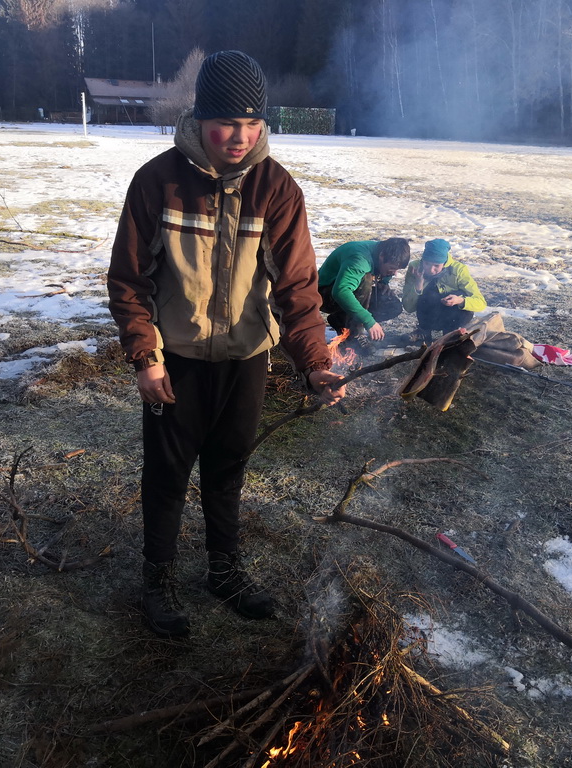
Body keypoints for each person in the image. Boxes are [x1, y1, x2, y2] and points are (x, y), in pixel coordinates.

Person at [107, 50, 346, 638]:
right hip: (176, 362)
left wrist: (315, 362)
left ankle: (224, 571)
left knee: (228, 469)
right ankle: (157, 580)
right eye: (226, 123)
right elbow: (130, 281)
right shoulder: (158, 181)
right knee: (167, 475)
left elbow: (297, 289)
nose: (240, 137)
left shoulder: (276, 189)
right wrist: (145, 357)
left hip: (245, 360)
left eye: (252, 123)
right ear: (200, 119)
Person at [317, 238, 410, 345]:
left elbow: (382, 271)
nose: (395, 273)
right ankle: (353, 335)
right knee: (366, 279)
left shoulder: (381, 251)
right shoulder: (360, 259)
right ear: (382, 256)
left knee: (392, 306)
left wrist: (384, 283)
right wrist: (368, 321)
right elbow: (341, 291)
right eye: (392, 268)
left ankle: (340, 320)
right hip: (324, 296)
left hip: (342, 290)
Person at [402, 238, 487, 341]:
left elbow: (481, 303)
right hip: (430, 313)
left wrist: (460, 300)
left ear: (444, 262)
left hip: (452, 315)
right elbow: (408, 307)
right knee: (430, 295)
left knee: (463, 300)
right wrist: (419, 284)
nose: (431, 270)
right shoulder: (415, 268)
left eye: (436, 266)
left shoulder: (459, 270)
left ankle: (451, 334)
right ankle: (424, 332)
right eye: (427, 263)